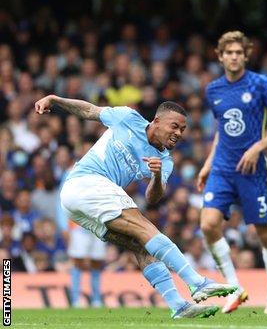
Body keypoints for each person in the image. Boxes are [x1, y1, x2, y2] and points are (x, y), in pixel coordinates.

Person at [34, 95, 238, 319]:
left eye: (183, 129)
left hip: (78, 203)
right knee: (145, 227)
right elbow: (89, 111)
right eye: (175, 126)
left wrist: (157, 175)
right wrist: (54, 99)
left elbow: (153, 197)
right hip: (86, 181)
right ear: (157, 121)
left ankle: (178, 305)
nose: (179, 133)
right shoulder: (127, 117)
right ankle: (197, 282)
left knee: (140, 245)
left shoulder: (165, 160)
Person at [196, 31, 267, 314]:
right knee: (208, 224)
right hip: (223, 168)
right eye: (229, 52)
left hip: (253, 169)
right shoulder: (213, 90)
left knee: (264, 233)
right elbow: (221, 131)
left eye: (239, 52)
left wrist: (257, 148)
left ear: (246, 55)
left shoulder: (261, 84)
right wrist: (208, 164)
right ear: (220, 56)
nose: (234, 56)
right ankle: (234, 287)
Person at [67, 222, 107, 308]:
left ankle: (96, 300)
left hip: (98, 228)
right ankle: (75, 300)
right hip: (80, 228)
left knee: (96, 263)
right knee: (77, 263)